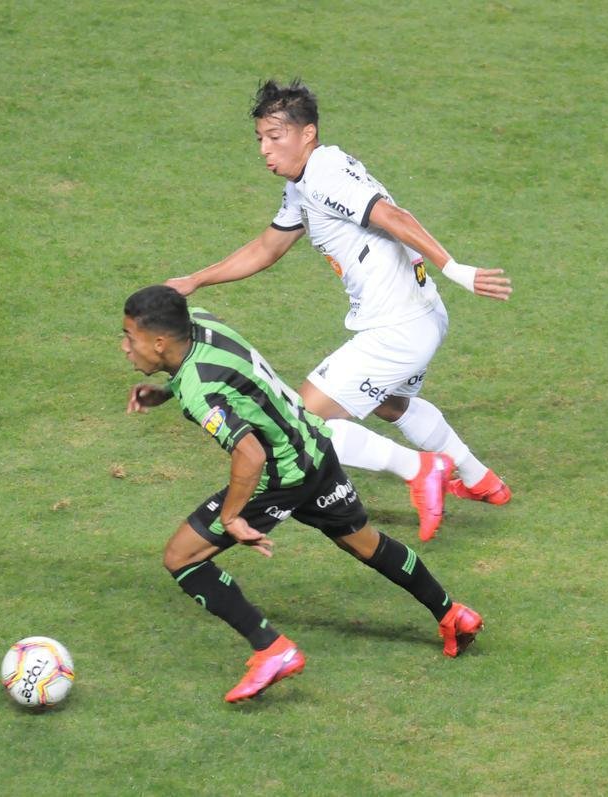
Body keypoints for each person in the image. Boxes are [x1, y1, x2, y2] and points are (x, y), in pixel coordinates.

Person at [166, 78, 513, 543]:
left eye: (275, 137)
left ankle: (422, 470)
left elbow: (395, 216)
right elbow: (269, 247)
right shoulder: (305, 182)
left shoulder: (325, 174)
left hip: (397, 328)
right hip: (421, 316)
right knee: (390, 403)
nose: (265, 150)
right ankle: (479, 479)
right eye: (260, 140)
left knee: (302, 423)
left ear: (307, 134)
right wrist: (196, 280)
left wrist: (455, 268)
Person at [120, 285, 483, 703]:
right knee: (366, 543)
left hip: (282, 474)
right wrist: (166, 391)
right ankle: (453, 614)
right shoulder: (200, 321)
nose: (125, 347)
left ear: (159, 342)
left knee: (181, 557)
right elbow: (228, 376)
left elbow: (250, 455)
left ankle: (272, 650)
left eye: (130, 337)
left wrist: (235, 517)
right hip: (314, 445)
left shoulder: (202, 393)